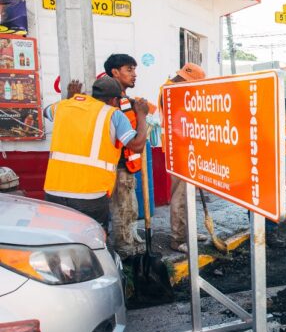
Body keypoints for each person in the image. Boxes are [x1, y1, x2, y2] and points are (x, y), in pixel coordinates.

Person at [43, 77, 149, 231]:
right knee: (92, 242)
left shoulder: (63, 106)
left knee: (60, 240)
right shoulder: (114, 114)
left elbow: (46, 112)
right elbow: (137, 145)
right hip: (90, 195)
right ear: (114, 100)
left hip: (54, 191)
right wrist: (141, 115)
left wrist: (70, 98)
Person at [104, 53, 152, 259]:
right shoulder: (110, 100)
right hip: (118, 165)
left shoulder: (126, 100)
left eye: (135, 69)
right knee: (122, 209)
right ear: (115, 72)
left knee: (130, 207)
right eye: (129, 69)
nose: (135, 74)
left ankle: (130, 237)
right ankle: (124, 250)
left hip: (128, 166)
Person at [157, 63, 208, 253]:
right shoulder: (170, 91)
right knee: (180, 195)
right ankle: (177, 239)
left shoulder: (174, 89)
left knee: (188, 194)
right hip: (177, 150)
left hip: (185, 148)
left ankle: (189, 233)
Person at [264, 98, 286, 248]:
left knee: (273, 202)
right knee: (260, 204)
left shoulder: (283, 127)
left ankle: (270, 232)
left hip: (275, 171)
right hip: (263, 170)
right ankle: (261, 232)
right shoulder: (266, 122)